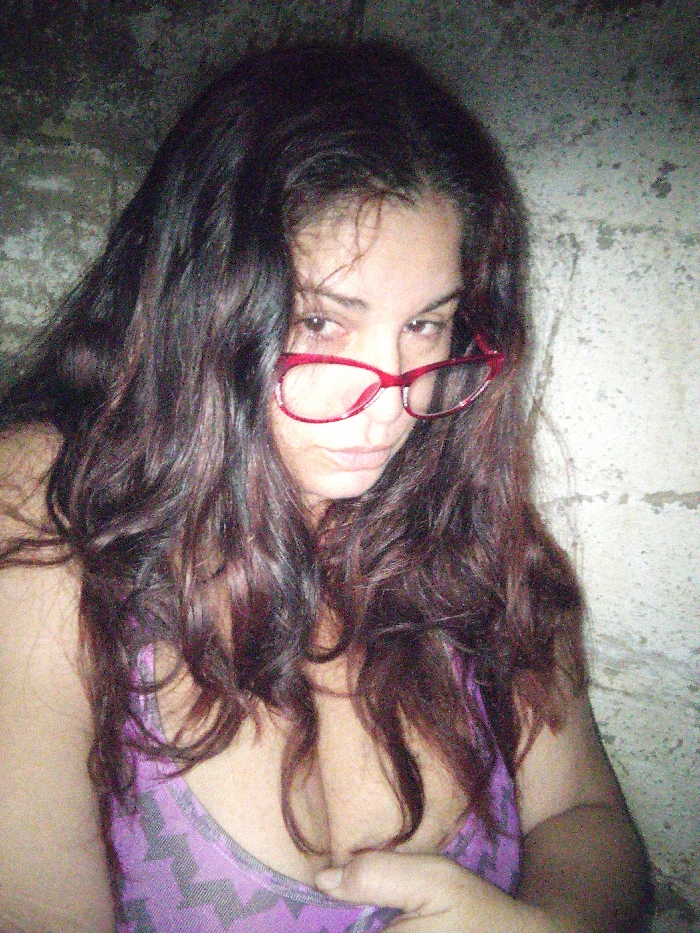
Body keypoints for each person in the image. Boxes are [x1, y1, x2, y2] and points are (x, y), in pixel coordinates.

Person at [0, 41, 651, 933]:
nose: (389, 407)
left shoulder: (460, 513)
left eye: (426, 324)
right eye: (319, 320)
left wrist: (549, 925)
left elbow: (582, 813)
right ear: (202, 301)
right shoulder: (51, 510)